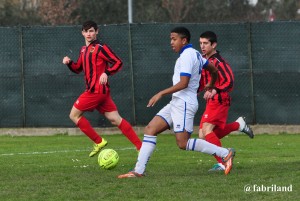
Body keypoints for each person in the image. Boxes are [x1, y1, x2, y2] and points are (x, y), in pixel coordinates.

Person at [118, 27, 235, 178]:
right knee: (150, 129)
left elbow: (184, 83)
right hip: (177, 102)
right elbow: (213, 70)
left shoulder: (187, 55)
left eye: (174, 39)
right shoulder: (195, 54)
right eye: (171, 39)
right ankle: (138, 171)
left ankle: (225, 153)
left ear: (184, 40)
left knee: (183, 143)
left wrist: (160, 93)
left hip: (184, 103)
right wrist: (211, 84)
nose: (171, 42)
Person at [62, 20, 142, 157]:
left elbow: (118, 62)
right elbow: (78, 68)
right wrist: (69, 63)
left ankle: (98, 142)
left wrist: (107, 72)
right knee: (115, 119)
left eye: (91, 31)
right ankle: (140, 146)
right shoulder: (83, 50)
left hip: (96, 91)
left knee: (73, 115)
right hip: (101, 93)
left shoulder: (100, 47)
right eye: (86, 31)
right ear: (82, 33)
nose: (89, 34)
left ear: (97, 31)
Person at [198, 31, 254, 172]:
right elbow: (203, 82)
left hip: (220, 100)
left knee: (206, 131)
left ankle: (223, 161)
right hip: (211, 101)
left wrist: (215, 90)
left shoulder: (219, 62)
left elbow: (229, 81)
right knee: (203, 136)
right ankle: (237, 125)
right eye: (201, 43)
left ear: (214, 44)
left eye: (205, 43)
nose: (202, 46)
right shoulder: (204, 60)